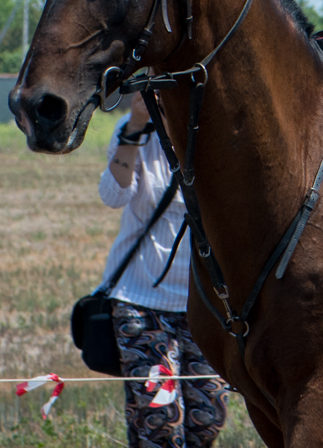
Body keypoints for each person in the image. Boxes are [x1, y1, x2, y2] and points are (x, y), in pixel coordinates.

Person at [102, 101, 227, 448]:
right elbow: (113, 195)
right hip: (141, 302)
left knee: (208, 419)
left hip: (205, 304)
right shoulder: (134, 131)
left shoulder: (215, 129)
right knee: (161, 426)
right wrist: (136, 126)